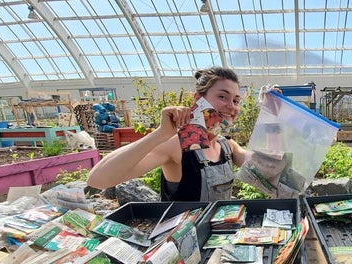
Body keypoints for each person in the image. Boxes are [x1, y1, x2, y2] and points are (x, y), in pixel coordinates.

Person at [87, 67, 247, 202]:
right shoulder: (176, 145)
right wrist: (160, 134)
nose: (231, 106)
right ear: (198, 98)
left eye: (236, 101)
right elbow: (98, 179)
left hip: (221, 237)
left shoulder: (226, 146)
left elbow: (265, 168)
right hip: (182, 237)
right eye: (222, 96)